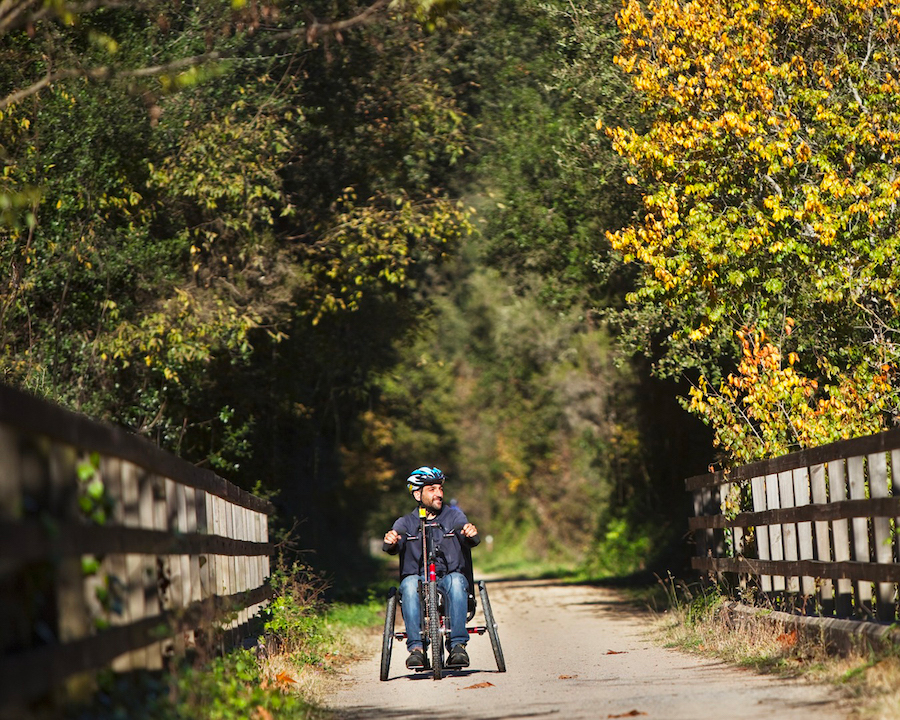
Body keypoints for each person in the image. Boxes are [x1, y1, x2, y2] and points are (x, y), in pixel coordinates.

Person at [382, 466, 479, 670]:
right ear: (417, 494)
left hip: (448, 578)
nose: (439, 493)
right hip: (419, 582)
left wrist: (468, 532)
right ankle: (417, 649)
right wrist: (392, 540)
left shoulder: (454, 516)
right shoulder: (406, 522)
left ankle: (457, 647)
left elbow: (465, 531)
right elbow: (395, 541)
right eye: (432, 489)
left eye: (440, 488)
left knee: (457, 580)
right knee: (408, 584)